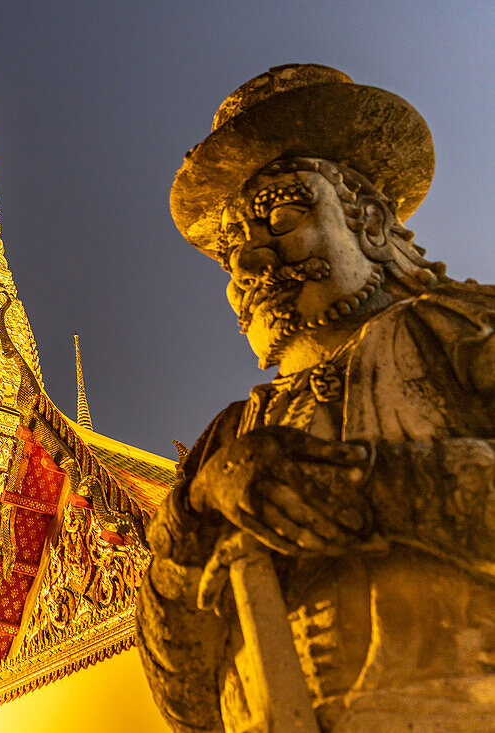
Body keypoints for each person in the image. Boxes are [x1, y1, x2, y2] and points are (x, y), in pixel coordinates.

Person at [137, 64, 495, 732]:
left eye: (281, 216)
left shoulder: (464, 332)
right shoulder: (233, 437)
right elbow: (186, 702)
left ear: (370, 221)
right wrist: (195, 513)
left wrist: (368, 489)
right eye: (232, 249)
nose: (249, 265)